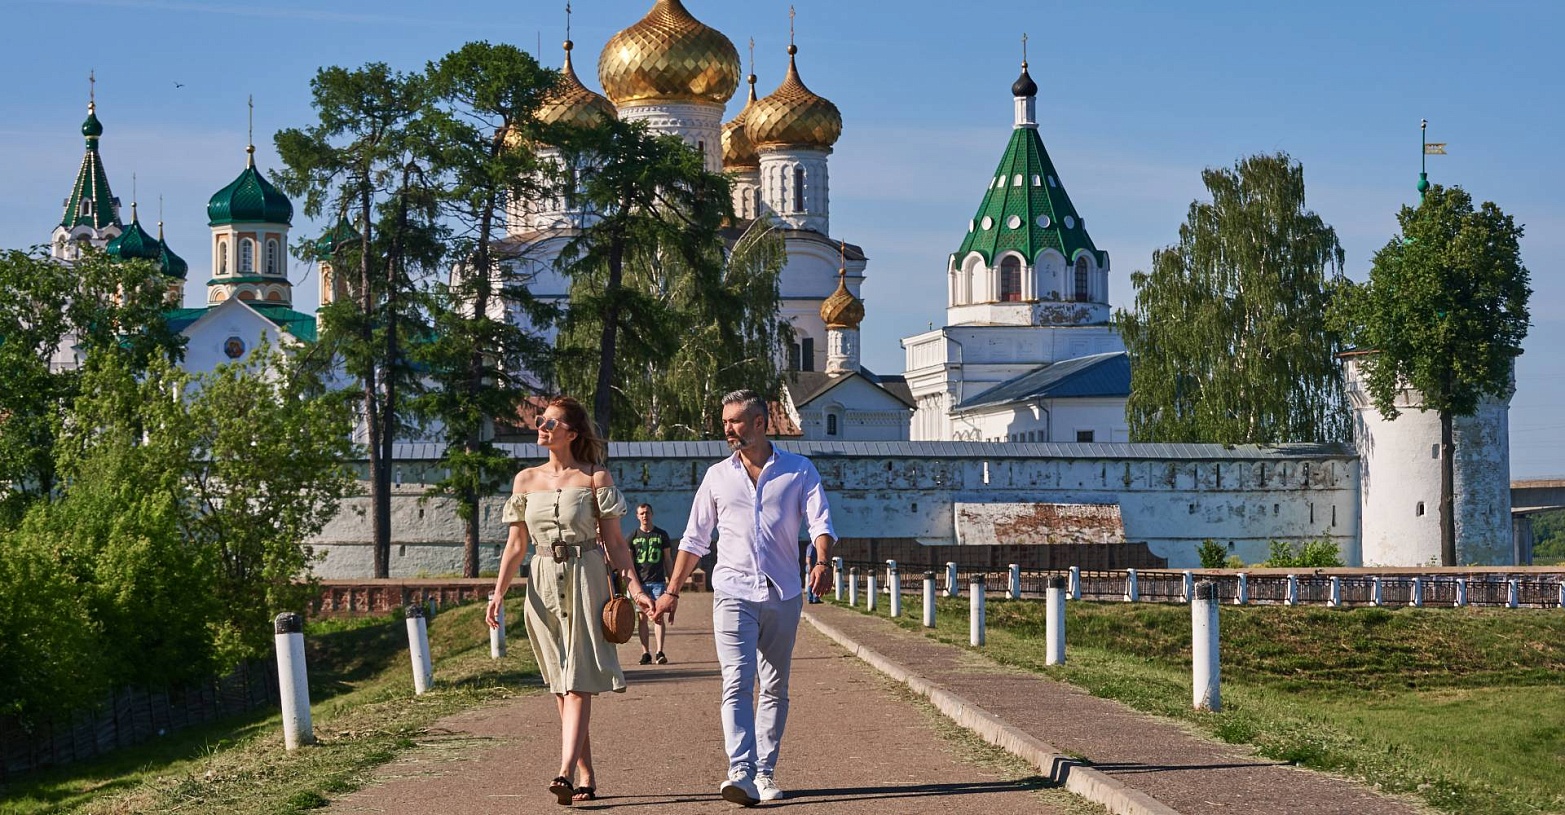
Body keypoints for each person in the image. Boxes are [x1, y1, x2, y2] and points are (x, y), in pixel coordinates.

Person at [654, 389, 835, 805]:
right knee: (736, 681)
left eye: (735, 421)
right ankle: (740, 769)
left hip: (782, 592)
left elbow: (820, 521)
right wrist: (672, 591)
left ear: (759, 422)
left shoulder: (798, 470)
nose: (728, 429)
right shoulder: (717, 476)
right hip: (732, 591)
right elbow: (694, 539)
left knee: (774, 685)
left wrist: (822, 561)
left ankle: (765, 772)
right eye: (725, 422)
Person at [487, 397, 655, 806]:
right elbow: (516, 545)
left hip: (586, 577)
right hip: (542, 583)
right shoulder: (525, 480)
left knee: (578, 679)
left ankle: (563, 771)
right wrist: (498, 593)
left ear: (572, 433)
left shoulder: (595, 477)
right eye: (540, 421)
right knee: (561, 686)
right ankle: (585, 774)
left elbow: (616, 543)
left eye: (550, 423)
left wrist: (636, 590)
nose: (541, 427)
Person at [628, 503, 674, 665]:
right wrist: (632, 584)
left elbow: (667, 559)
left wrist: (672, 582)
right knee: (642, 618)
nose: (644, 516)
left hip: (658, 580)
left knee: (658, 616)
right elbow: (629, 562)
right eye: (641, 513)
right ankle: (645, 652)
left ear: (652, 514)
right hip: (640, 584)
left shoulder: (661, 535)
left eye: (647, 512)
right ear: (637, 516)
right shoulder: (633, 536)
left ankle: (660, 651)